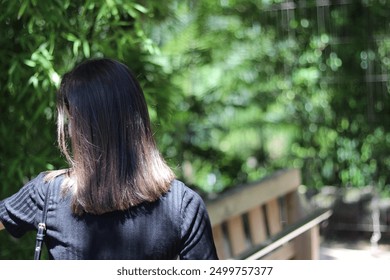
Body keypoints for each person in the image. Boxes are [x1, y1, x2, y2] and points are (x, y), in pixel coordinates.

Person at [0, 58, 218, 260]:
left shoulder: (48, 193)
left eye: (72, 119)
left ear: (85, 127)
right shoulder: (183, 204)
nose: (69, 130)